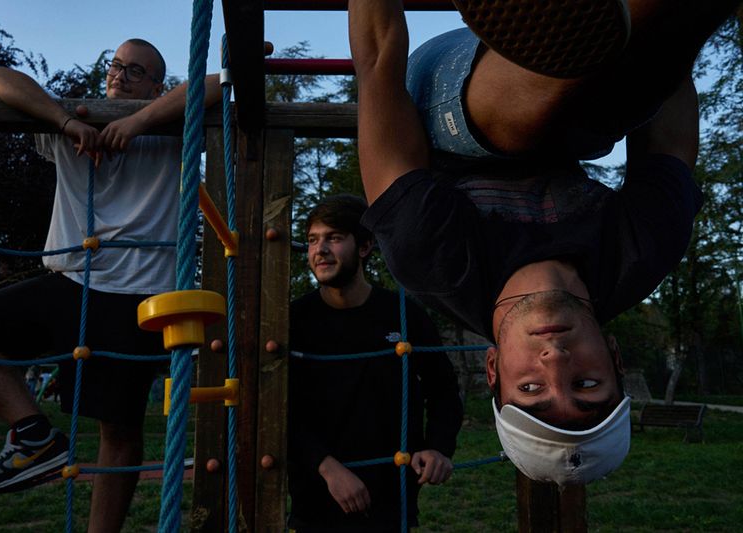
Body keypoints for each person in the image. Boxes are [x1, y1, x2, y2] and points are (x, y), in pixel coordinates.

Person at [348, 0, 740, 485]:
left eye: (531, 387)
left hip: (440, 97)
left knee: (528, 126)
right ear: (616, 358)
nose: (555, 361)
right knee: (625, 98)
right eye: (587, 383)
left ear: (493, 369)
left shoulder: (434, 258)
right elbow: (670, 133)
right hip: (585, 93)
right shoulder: (640, 253)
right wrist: (676, 34)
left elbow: (377, 64)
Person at [0, 38, 221, 532]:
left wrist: (139, 120)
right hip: (67, 283)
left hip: (137, 297)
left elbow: (215, 84)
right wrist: (66, 121)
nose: (120, 76)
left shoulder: (170, 131)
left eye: (136, 71)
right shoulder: (70, 125)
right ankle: (33, 434)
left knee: (118, 430)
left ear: (155, 87)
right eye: (115, 66)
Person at [288, 194, 464, 530]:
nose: (320, 250)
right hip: (317, 494)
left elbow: (442, 389)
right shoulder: (293, 321)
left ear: (365, 246)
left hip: (391, 491)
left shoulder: (402, 313)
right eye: (313, 240)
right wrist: (326, 466)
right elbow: (281, 409)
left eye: (334, 238)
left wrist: (438, 447)